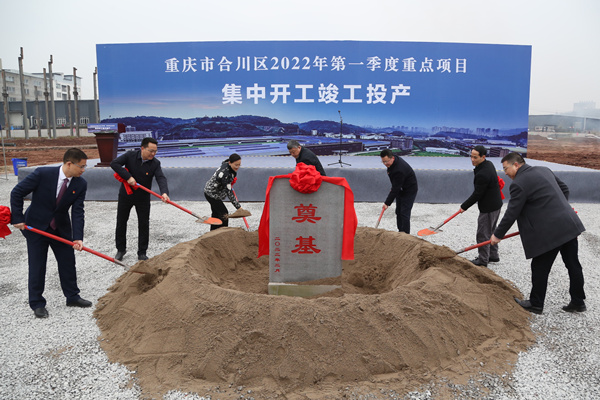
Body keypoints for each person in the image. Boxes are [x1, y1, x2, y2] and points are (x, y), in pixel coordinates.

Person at [491, 152, 586, 314]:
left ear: (516, 165)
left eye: (506, 169)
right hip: (568, 224)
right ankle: (578, 302)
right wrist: (557, 209)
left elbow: (512, 212)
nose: (505, 173)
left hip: (550, 232)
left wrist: (497, 235)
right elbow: (564, 189)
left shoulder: (519, 184)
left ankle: (536, 303)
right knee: (573, 264)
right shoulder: (544, 169)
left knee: (540, 267)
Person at [10, 148, 91, 318]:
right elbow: (17, 192)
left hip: (60, 228)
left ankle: (72, 296)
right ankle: (37, 303)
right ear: (69, 164)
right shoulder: (42, 174)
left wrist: (78, 237)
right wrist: (18, 218)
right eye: (81, 166)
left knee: (68, 262)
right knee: (37, 265)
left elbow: (78, 211)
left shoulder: (80, 184)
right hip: (36, 226)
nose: (84, 170)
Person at [111, 137, 169, 261]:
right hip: (126, 195)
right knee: (121, 222)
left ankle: (142, 252)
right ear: (142, 148)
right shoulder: (130, 156)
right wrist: (128, 177)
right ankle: (121, 249)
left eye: (155, 151)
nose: (153, 154)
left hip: (143, 197)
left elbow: (160, 178)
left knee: (144, 224)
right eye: (151, 151)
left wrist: (164, 193)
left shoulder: (155, 163)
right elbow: (114, 164)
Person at [459, 145, 503, 267]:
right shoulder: (489, 164)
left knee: (483, 234)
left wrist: (464, 206)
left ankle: (483, 260)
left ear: (483, 157)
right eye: (471, 156)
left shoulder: (483, 173)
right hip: (496, 204)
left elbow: (477, 194)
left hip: (488, 207)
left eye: (475, 157)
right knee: (492, 231)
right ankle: (493, 255)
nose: (472, 159)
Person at [380, 149, 418, 234]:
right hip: (401, 188)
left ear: (392, 158)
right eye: (383, 162)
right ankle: (400, 232)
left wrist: (387, 203)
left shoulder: (399, 170)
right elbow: (396, 187)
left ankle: (406, 235)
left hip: (409, 190)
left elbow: (395, 189)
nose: (385, 164)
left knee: (404, 213)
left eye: (386, 161)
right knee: (398, 211)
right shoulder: (393, 162)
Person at [204, 153, 244, 231]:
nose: (238, 167)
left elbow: (224, 163)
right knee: (224, 214)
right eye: (236, 165)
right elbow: (229, 192)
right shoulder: (225, 174)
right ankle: (223, 233)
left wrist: (230, 181)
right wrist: (238, 207)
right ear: (230, 163)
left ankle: (213, 232)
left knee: (216, 213)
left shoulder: (226, 164)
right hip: (211, 194)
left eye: (239, 165)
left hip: (212, 191)